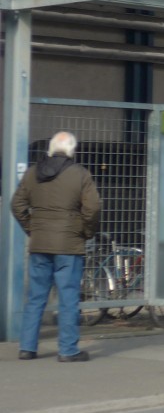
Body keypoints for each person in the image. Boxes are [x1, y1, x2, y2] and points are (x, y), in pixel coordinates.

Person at [11, 131, 102, 362]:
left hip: (40, 244)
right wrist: (86, 232)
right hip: (69, 245)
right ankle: (68, 350)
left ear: (51, 149)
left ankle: (27, 348)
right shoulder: (80, 174)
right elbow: (93, 208)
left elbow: (16, 204)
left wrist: (32, 228)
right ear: (72, 150)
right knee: (68, 297)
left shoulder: (33, 173)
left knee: (35, 297)